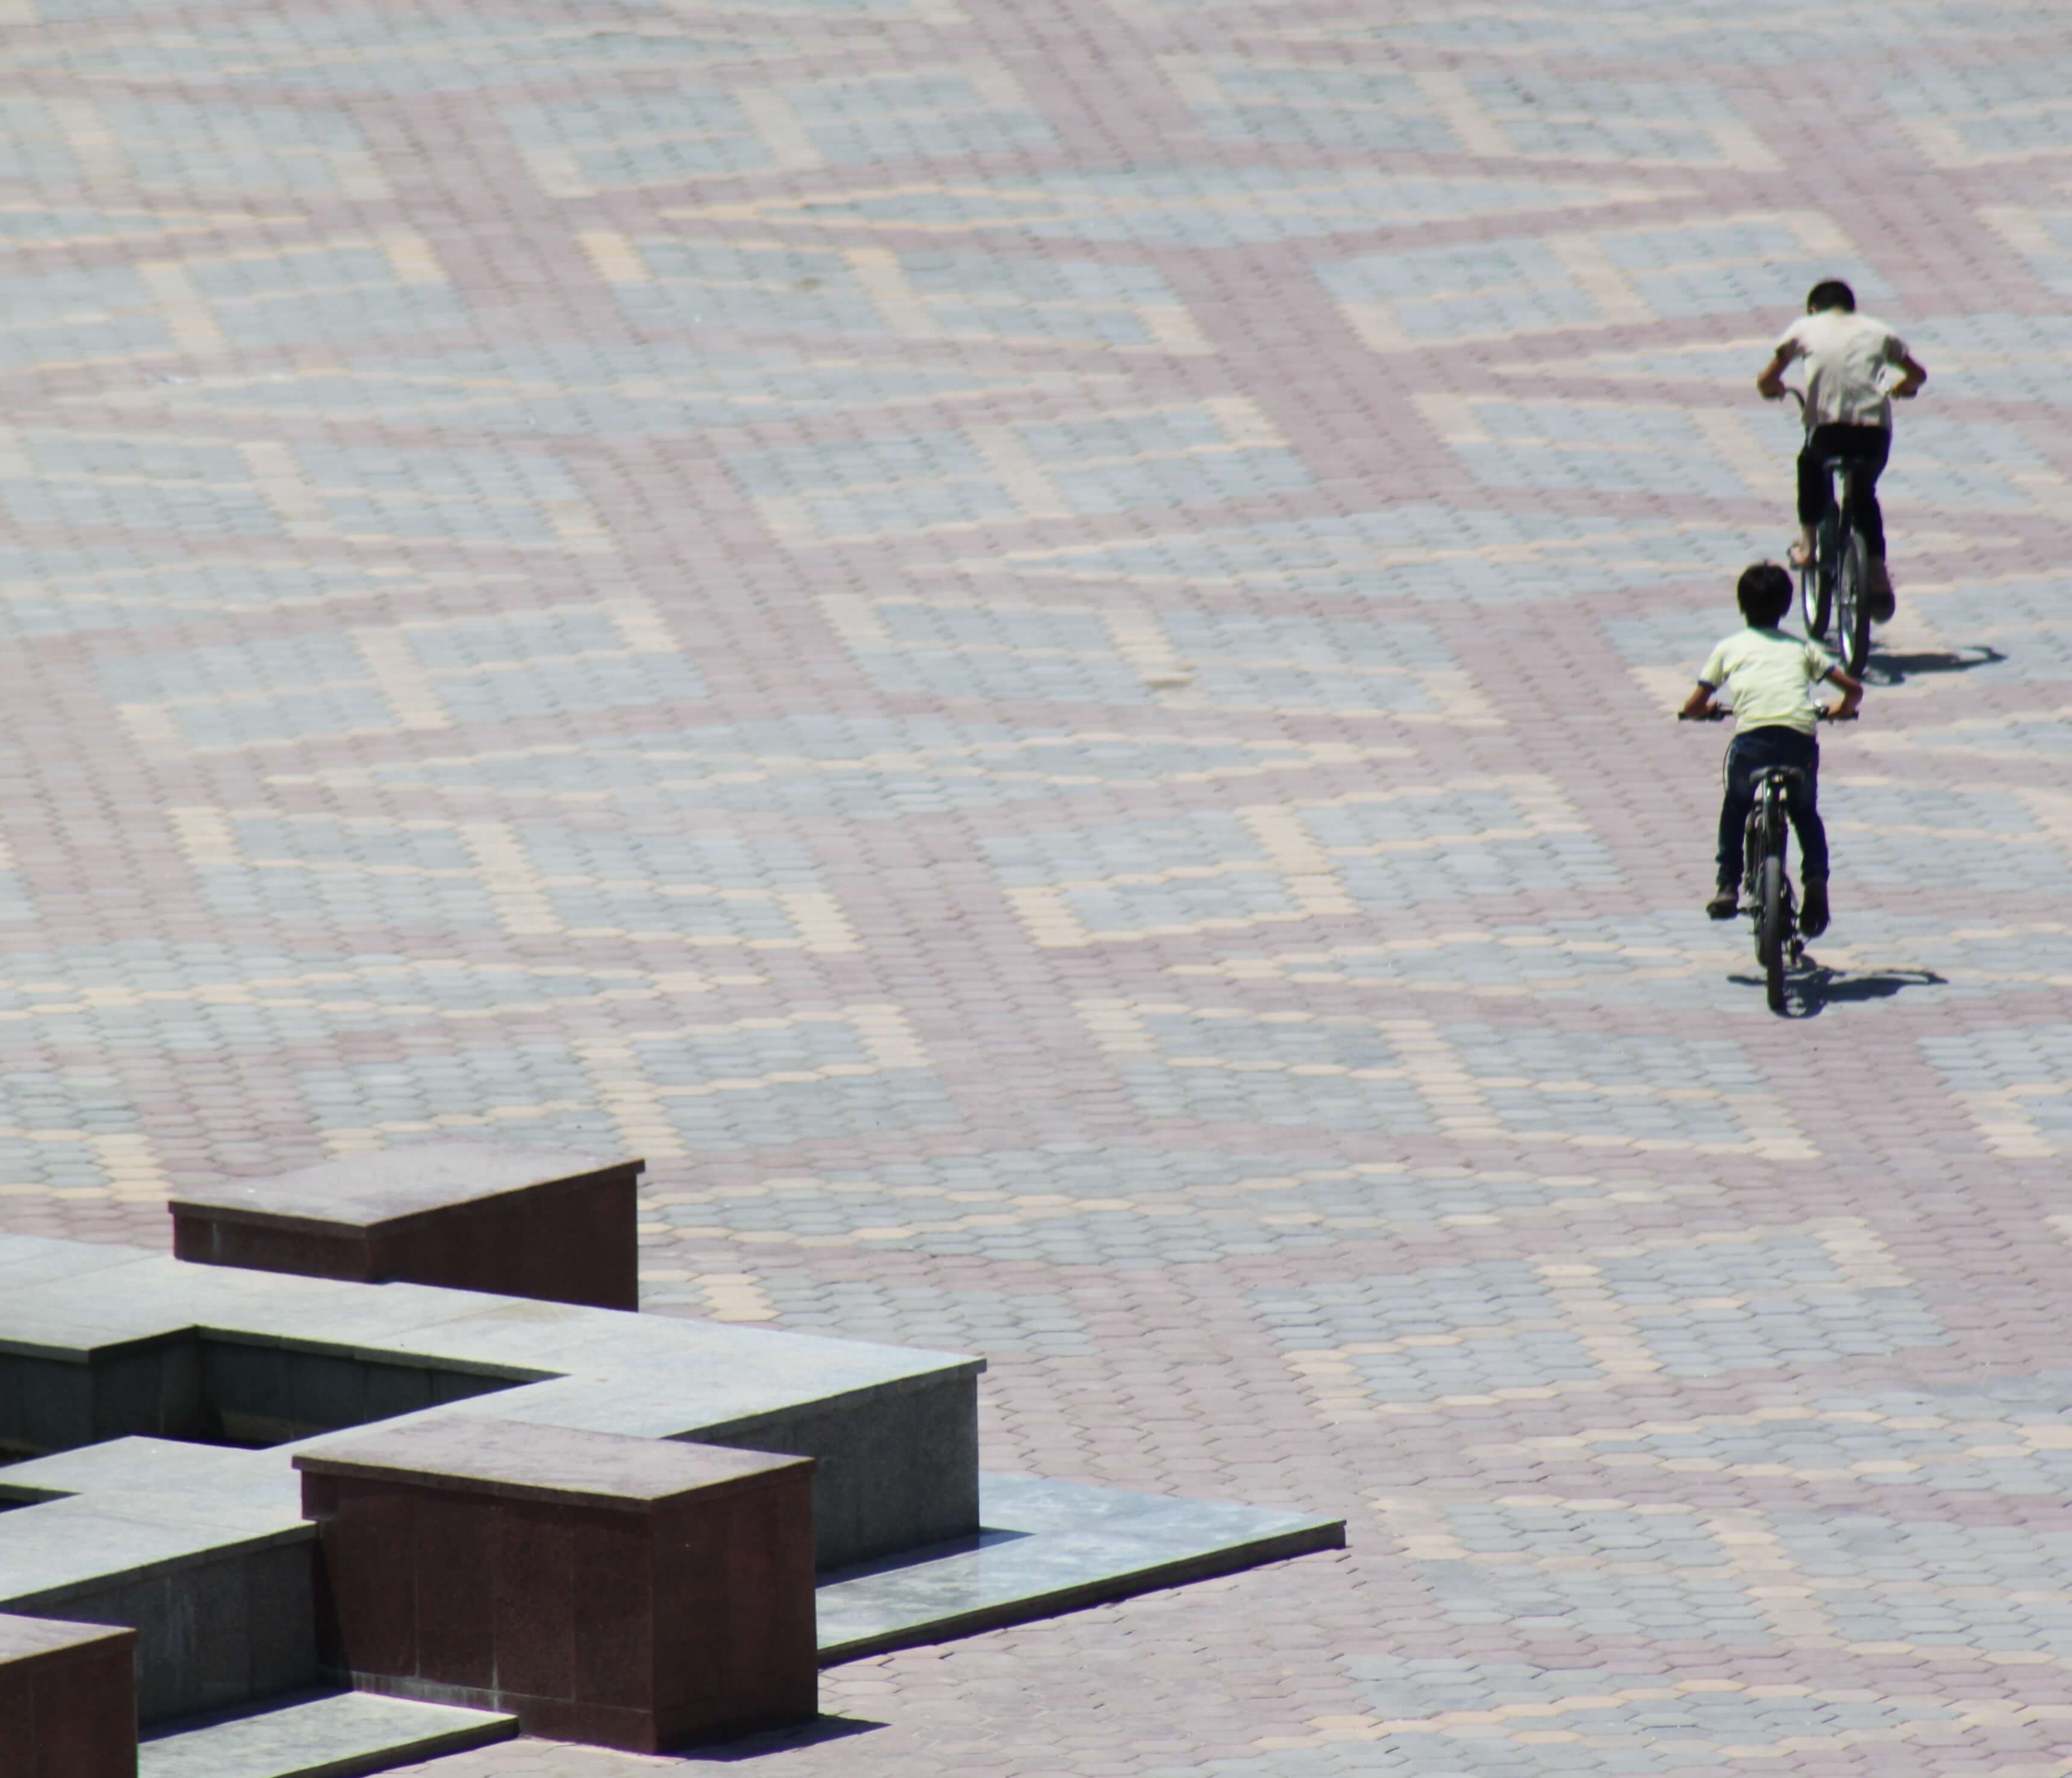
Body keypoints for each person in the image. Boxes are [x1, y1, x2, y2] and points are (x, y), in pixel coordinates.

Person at [1681, 562, 1862, 937]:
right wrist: (1842, 710)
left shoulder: (1729, 648)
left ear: (1741, 605)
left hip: (1752, 743)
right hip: (1798, 741)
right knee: (1804, 813)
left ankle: (1727, 885)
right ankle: (1815, 886)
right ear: (1786, 607)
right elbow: (1853, 689)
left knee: (1736, 805)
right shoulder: (1802, 649)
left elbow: (1694, 703)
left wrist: (1704, 712)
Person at [1754, 279, 1927, 621]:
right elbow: (1918, 374)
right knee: (1863, 493)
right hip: (1872, 433)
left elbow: (1766, 380)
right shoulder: (1878, 331)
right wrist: (1904, 387)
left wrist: (1774, 389)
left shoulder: (1804, 327)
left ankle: (1807, 547)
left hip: (1828, 431)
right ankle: (1877, 574)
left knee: (1809, 465)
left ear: (1814, 308)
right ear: (1851, 308)